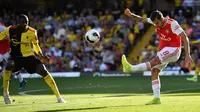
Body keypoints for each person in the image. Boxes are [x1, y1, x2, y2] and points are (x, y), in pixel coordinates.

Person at [122, 8, 193, 105]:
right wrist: (130, 14)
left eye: (157, 23)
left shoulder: (172, 24)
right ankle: (156, 98)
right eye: (154, 23)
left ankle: (131, 69)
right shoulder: (155, 21)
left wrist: (188, 55)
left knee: (155, 60)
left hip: (174, 50)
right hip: (165, 50)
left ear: (162, 18)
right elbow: (141, 19)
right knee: (155, 70)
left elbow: (185, 37)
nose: (156, 25)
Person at [0, 14, 65, 104]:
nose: (24, 24)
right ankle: (6, 95)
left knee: (43, 70)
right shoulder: (10, 29)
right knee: (8, 66)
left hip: (29, 57)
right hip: (16, 57)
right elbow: (1, 36)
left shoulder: (32, 32)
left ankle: (59, 97)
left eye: (26, 22)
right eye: (22, 22)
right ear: (18, 23)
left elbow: (35, 45)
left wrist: (41, 55)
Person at [0, 22, 26, 89]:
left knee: (12, 67)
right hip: (1, 50)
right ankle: (7, 79)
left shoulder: (2, 27)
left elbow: (8, 36)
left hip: (6, 50)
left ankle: (22, 80)